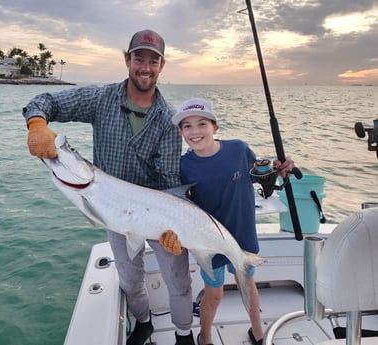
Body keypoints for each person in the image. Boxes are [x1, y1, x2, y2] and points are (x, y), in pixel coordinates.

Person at [22, 30, 195, 345]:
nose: (145, 67)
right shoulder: (100, 99)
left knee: (179, 282)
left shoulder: (169, 120)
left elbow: (169, 178)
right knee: (130, 280)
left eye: (152, 61)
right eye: (138, 58)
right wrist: (37, 122)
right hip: (113, 209)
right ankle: (143, 324)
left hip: (156, 212)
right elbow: (44, 101)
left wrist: (174, 228)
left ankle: (184, 336)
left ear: (162, 65)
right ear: (127, 60)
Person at [159, 98, 294, 345]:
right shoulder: (183, 166)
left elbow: (259, 176)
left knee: (248, 284)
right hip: (209, 242)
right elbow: (181, 207)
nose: (195, 132)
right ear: (180, 132)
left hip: (242, 236)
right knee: (214, 295)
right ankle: (206, 336)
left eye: (201, 124)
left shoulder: (239, 150)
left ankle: (258, 332)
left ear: (215, 127)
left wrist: (277, 170)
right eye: (187, 126)